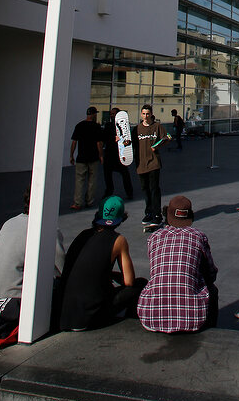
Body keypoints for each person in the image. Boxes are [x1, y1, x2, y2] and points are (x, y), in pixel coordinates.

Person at [59, 196, 145, 331]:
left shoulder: (84, 235)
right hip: (88, 318)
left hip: (64, 315)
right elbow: (129, 282)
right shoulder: (118, 240)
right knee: (139, 285)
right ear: (121, 218)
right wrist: (114, 276)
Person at [137, 195, 218, 333]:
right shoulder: (198, 236)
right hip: (192, 319)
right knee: (213, 290)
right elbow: (211, 273)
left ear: (168, 215)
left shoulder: (154, 237)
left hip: (152, 318)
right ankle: (212, 331)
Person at [0, 187, 65, 307]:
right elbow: (61, 268)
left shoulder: (9, 223)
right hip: (12, 300)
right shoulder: (47, 227)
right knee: (60, 285)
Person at [133, 104, 169, 228]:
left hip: (153, 163)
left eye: (147, 114)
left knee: (154, 189)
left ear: (151, 114)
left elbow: (167, 137)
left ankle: (157, 215)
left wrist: (157, 146)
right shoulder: (136, 129)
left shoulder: (157, 127)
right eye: (143, 114)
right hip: (141, 164)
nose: (145, 116)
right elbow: (129, 143)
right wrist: (120, 140)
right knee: (145, 189)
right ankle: (148, 213)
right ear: (141, 114)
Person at [69, 107, 103, 211]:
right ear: (93, 114)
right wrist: (101, 155)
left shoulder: (79, 125)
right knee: (92, 180)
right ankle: (89, 201)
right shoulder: (96, 127)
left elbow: (74, 142)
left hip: (81, 157)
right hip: (93, 157)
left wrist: (71, 155)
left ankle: (78, 202)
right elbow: (99, 143)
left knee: (79, 180)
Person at [101, 107, 133, 201]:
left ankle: (129, 192)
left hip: (120, 154)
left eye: (113, 114)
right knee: (107, 174)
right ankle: (109, 191)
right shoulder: (108, 125)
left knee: (125, 174)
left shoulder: (123, 126)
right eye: (110, 114)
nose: (111, 116)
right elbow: (104, 139)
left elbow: (128, 140)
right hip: (109, 153)